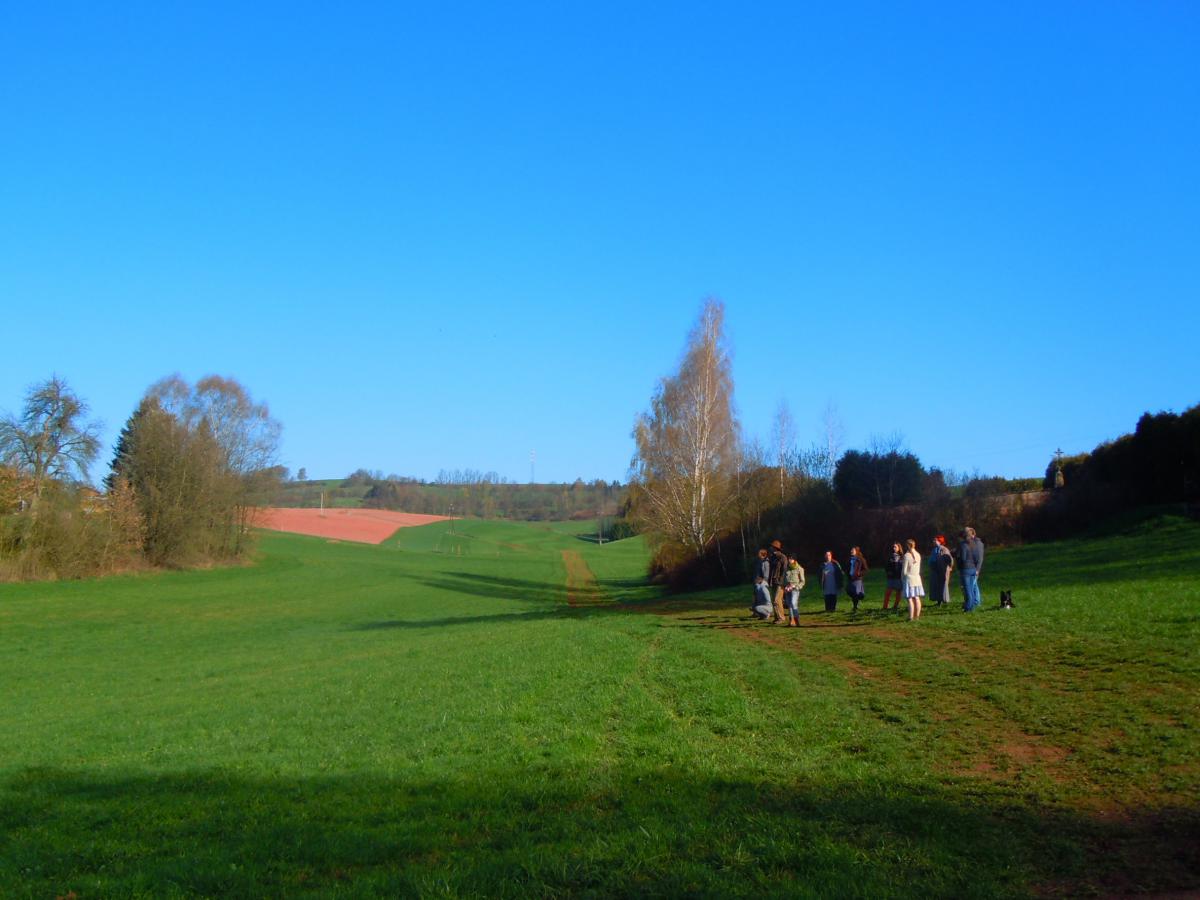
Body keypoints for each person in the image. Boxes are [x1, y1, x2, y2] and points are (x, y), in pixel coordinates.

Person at [958, 527, 985, 612]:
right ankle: (972, 605)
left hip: (965, 569)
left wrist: (958, 559)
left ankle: (968, 607)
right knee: (971, 588)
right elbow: (977, 557)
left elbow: (962, 558)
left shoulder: (963, 545)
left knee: (967, 589)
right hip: (973, 568)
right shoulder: (973, 544)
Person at [902, 538, 924, 620]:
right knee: (917, 597)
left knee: (910, 598)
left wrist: (902, 578)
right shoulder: (918, 554)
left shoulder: (906, 556)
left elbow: (904, 571)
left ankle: (910, 617)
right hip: (917, 578)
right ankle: (917, 616)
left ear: (908, 545)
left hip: (909, 579)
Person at [928, 535, 954, 606]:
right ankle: (938, 600)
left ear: (940, 541)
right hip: (935, 570)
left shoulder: (944, 549)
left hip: (942, 570)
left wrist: (950, 567)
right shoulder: (934, 550)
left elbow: (949, 559)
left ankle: (944, 599)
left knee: (943, 585)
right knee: (936, 585)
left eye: (935, 540)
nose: (933, 541)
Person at [769, 539, 789, 624]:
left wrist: (781, 581)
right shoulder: (772, 558)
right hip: (773, 581)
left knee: (776, 600)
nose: (770, 548)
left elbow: (784, 570)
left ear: (775, 548)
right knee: (776, 600)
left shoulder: (783, 557)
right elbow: (771, 570)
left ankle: (781, 618)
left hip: (780, 582)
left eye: (772, 547)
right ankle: (777, 617)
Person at [750, 548, 773, 620]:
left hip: (763, 582)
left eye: (759, 553)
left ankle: (764, 611)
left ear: (763, 554)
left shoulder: (766, 563)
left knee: (762, 596)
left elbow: (766, 575)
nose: (758, 555)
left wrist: (761, 580)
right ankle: (756, 612)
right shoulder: (759, 562)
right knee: (756, 597)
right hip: (757, 581)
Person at [784, 557, 806, 626]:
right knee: (789, 605)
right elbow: (785, 579)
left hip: (795, 589)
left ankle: (797, 620)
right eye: (789, 559)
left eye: (791, 559)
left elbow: (802, 581)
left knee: (793, 604)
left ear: (794, 560)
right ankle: (791, 620)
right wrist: (785, 586)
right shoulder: (787, 569)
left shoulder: (799, 568)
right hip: (788, 589)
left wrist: (796, 587)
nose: (789, 560)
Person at [846, 546, 869, 612]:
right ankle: (859, 598)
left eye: (853, 550)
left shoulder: (861, 559)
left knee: (855, 593)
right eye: (851, 550)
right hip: (850, 579)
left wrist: (859, 573)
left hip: (857, 579)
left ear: (856, 551)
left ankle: (855, 607)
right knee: (849, 591)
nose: (851, 551)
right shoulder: (849, 559)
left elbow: (866, 569)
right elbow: (847, 568)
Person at [882, 542, 903, 610]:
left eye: (895, 547)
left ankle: (895, 606)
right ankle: (885, 607)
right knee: (888, 592)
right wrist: (888, 572)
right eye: (893, 547)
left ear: (899, 548)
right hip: (891, 577)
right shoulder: (889, 556)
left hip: (899, 577)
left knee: (898, 592)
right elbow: (886, 566)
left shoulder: (902, 556)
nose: (894, 548)